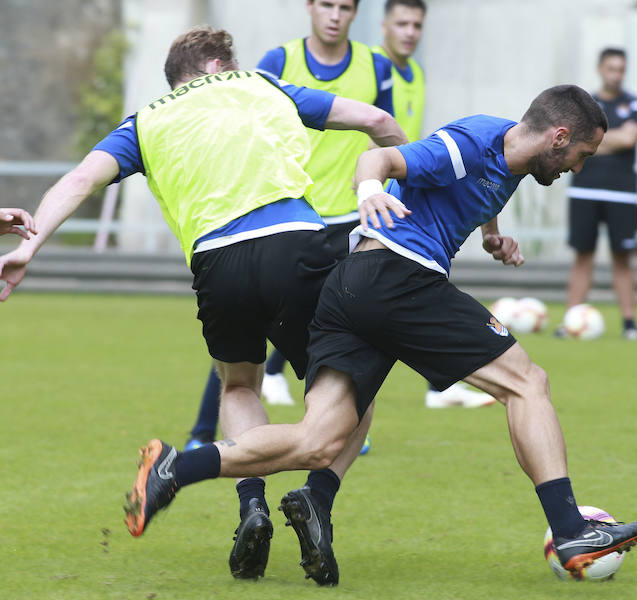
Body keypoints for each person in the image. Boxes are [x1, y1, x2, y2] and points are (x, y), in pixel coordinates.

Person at [123, 84, 637, 585]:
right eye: (582, 154)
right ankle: (570, 531)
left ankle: (177, 466)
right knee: (526, 382)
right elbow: (380, 158)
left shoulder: (508, 151)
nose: (578, 168)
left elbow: (484, 187)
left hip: (354, 287)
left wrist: (493, 236)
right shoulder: (470, 141)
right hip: (398, 276)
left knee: (318, 440)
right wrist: (372, 189)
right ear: (558, 137)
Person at [0, 25, 406, 581]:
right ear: (218, 66)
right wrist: (405, 193)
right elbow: (378, 122)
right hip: (296, 247)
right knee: (351, 387)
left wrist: (31, 245)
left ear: (177, 78)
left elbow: (80, 180)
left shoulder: (146, 120)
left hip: (217, 265)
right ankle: (316, 497)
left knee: (238, 384)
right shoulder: (264, 84)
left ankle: (252, 507)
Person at [184, 0, 402, 452]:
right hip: (287, 215)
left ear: (355, 13)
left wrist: (389, 193)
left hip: (348, 216)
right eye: (327, 4)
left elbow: (383, 128)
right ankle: (202, 433)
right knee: (243, 332)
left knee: (347, 329)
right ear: (310, 7)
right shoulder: (278, 62)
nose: (335, 14)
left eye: (345, 7)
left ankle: (337, 426)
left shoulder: (375, 66)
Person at [372, 0, 494, 409]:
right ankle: (273, 380)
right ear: (384, 24)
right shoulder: (370, 67)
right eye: (401, 23)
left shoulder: (415, 74)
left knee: (416, 288)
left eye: (416, 25)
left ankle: (437, 386)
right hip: (353, 197)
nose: (409, 31)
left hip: (394, 200)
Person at [562, 47, 637, 341]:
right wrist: (610, 140)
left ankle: (629, 325)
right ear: (600, 69)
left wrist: (593, 140)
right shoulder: (584, 104)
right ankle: (570, 321)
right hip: (585, 190)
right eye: (611, 68)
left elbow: (630, 138)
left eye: (621, 69)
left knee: (623, 258)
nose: (616, 74)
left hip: (622, 193)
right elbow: (574, 140)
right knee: (582, 256)